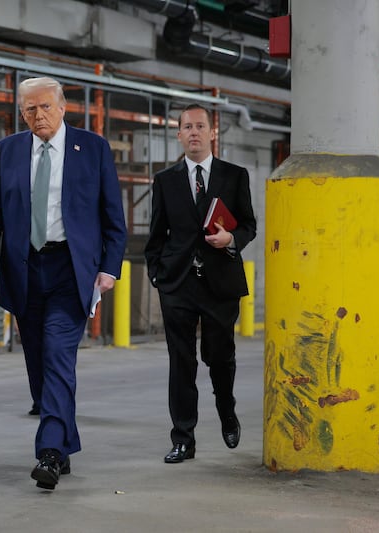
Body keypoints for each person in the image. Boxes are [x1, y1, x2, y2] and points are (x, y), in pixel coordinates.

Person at [0, 77, 127, 490]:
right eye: (29, 109)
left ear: (62, 108)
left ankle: (50, 453)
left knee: (59, 354)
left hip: (70, 269)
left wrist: (110, 267)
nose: (38, 115)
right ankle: (63, 439)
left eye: (45, 107)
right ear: (21, 113)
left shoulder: (92, 148)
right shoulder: (6, 151)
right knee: (39, 362)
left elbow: (112, 215)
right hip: (24, 268)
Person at [144, 103, 257, 464]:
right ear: (179, 134)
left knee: (219, 356)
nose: (194, 132)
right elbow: (156, 234)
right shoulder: (165, 181)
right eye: (187, 127)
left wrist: (231, 239)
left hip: (220, 282)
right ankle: (183, 439)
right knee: (181, 362)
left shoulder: (234, 176)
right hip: (177, 284)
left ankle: (227, 410)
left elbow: (249, 225)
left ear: (212, 133)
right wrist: (157, 275)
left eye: (200, 126)